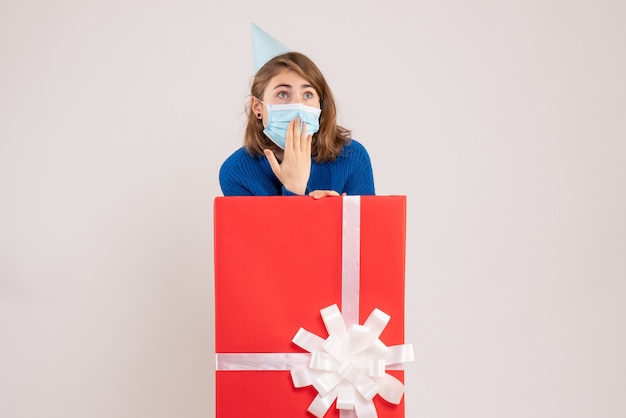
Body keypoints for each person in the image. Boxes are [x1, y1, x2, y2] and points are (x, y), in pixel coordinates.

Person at [219, 25, 375, 198]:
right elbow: (260, 227)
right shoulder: (236, 172)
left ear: (319, 105)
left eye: (308, 94)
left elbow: (369, 225)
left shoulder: (352, 157)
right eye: (283, 94)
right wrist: (294, 188)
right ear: (258, 107)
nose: (297, 105)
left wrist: (337, 216)